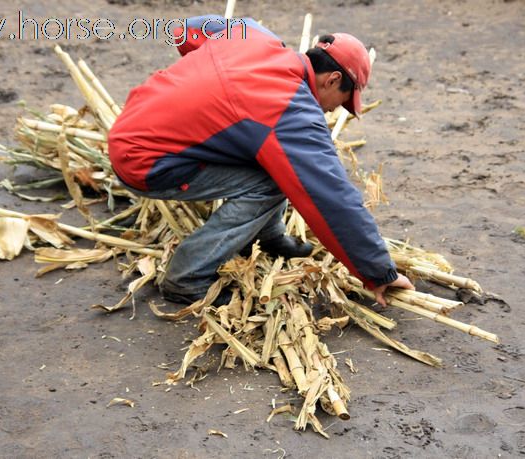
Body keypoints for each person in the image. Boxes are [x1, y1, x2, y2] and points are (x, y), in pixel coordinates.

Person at [108, 15, 414, 306]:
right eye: (344, 102)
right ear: (333, 80)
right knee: (271, 182)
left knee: (268, 160)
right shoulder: (289, 108)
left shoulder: (255, 35)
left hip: (129, 126)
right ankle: (186, 277)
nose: (335, 112)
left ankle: (267, 236)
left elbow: (191, 28)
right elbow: (331, 196)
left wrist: (204, 77)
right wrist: (378, 272)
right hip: (145, 163)